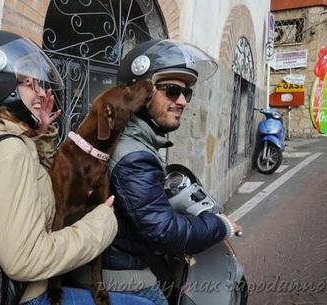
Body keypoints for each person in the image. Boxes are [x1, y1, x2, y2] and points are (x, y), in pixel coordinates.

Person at [0, 30, 154, 305]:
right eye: (27, 83)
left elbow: (27, 187)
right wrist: (101, 224)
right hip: (24, 296)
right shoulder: (10, 152)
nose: (42, 92)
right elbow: (24, 261)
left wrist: (39, 132)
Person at [68, 40, 243, 305]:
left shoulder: (124, 136)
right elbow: (165, 231)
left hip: (114, 261)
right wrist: (221, 226)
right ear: (140, 93)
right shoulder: (133, 155)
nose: (182, 101)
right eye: (172, 90)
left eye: (187, 93)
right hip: (120, 276)